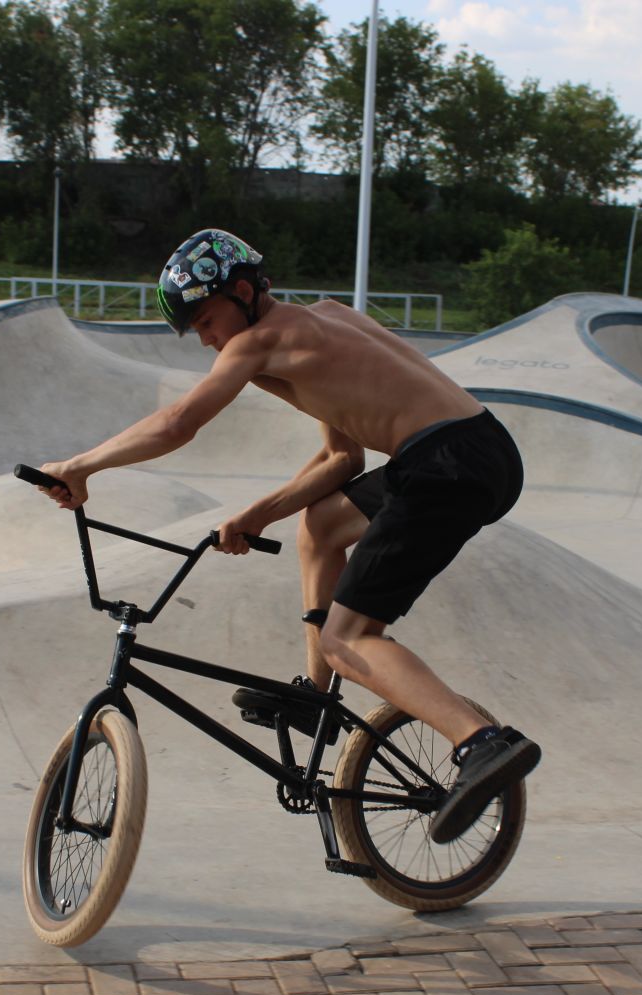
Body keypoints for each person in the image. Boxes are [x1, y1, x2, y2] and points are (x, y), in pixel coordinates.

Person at [34, 229, 540, 844]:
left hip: (446, 466)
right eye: (196, 331)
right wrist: (260, 513)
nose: (209, 339)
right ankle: (314, 698)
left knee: (348, 639)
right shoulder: (328, 319)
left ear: (244, 292)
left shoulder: (260, 340)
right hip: (466, 448)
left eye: (208, 320)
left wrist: (80, 466)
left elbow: (176, 424)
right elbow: (341, 460)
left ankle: (481, 743)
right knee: (322, 524)